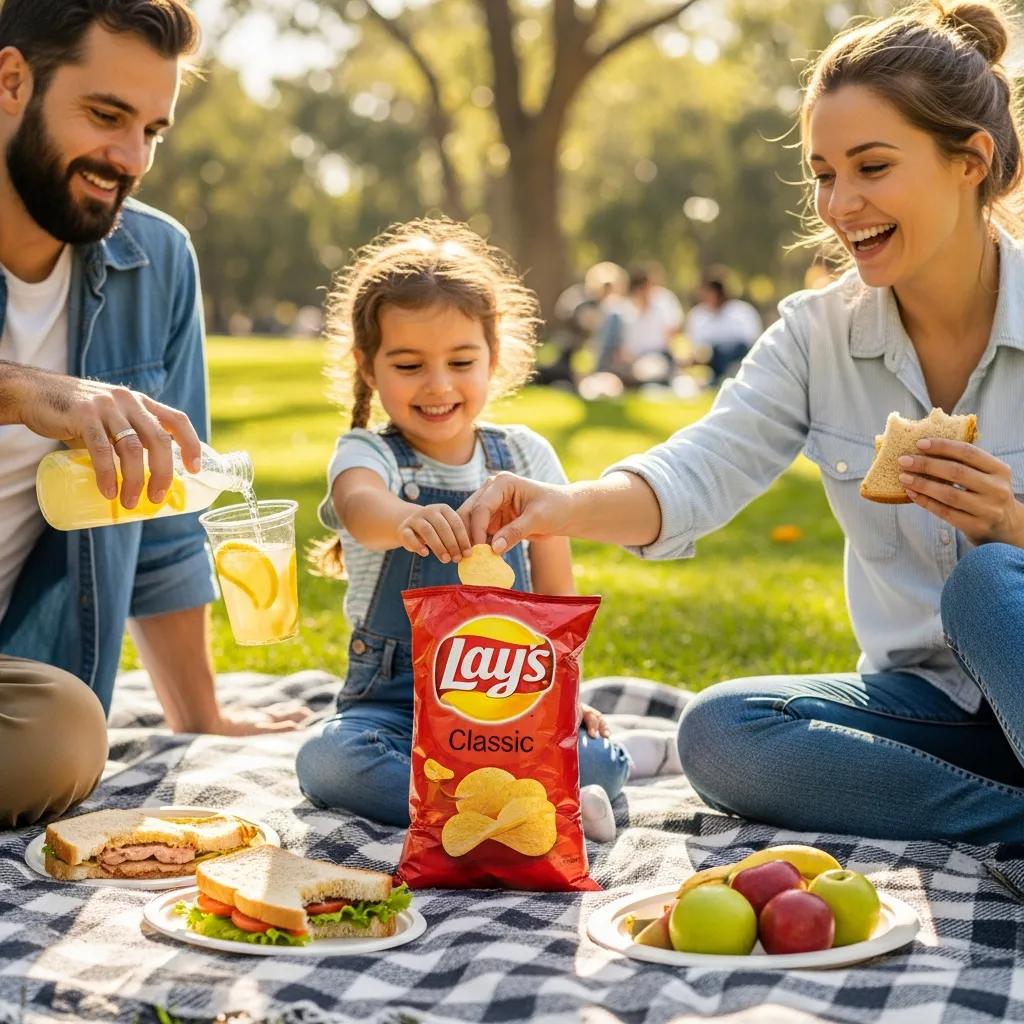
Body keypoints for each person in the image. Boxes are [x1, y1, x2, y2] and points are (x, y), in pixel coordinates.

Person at [460, 0, 1024, 844]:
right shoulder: (815, 332)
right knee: (722, 733)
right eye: (825, 173)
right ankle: (1011, 825)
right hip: (931, 709)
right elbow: (703, 466)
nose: (840, 204)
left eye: (871, 167)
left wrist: (1013, 525)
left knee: (986, 585)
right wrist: (566, 505)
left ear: (971, 160)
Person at [0, 0, 307, 820]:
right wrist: (28, 390)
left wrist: (200, 720)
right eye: (105, 116)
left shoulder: (157, 261)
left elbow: (170, 516)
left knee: (65, 735)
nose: (128, 157)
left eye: (152, 131)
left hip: (14, 676)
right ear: (11, 80)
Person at [295, 219, 633, 840]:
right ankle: (525, 809)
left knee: (603, 761)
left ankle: (508, 798)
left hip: (512, 712)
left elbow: (557, 601)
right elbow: (360, 510)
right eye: (408, 364)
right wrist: (407, 520)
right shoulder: (367, 454)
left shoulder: (527, 458)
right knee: (329, 763)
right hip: (395, 713)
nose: (439, 384)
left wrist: (565, 700)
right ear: (368, 367)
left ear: (494, 359)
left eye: (460, 361)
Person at [596, 266, 683, 386]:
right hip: (635, 360)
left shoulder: (663, 302)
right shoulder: (626, 311)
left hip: (659, 355)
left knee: (652, 369)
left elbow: (674, 329)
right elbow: (625, 346)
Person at [684, 269, 762, 386]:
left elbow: (752, 341)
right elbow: (695, 346)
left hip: (738, 356)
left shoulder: (742, 312)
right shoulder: (697, 315)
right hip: (712, 359)